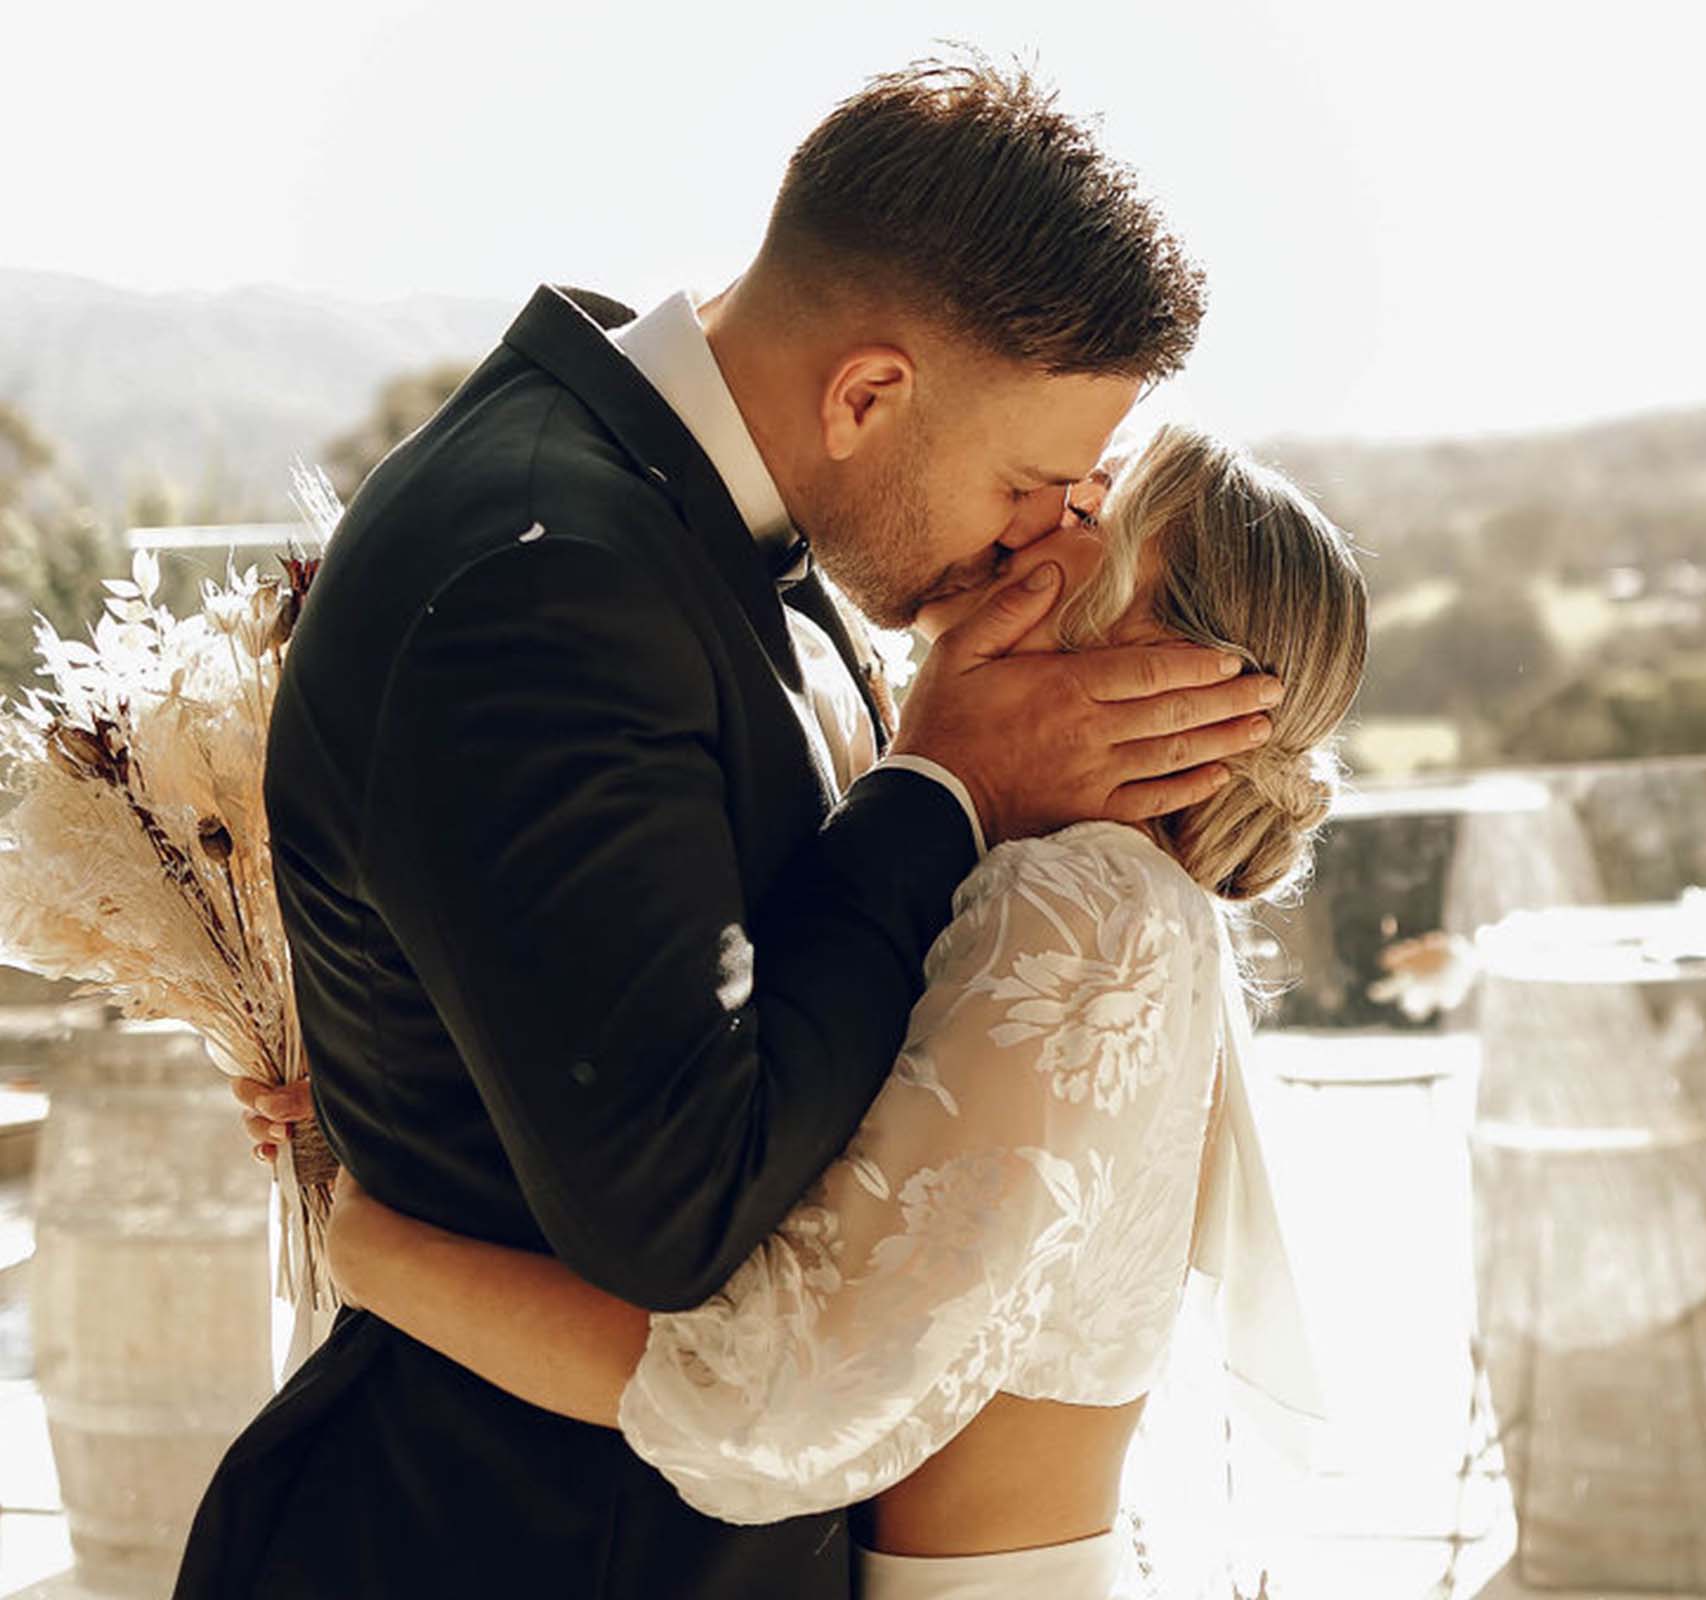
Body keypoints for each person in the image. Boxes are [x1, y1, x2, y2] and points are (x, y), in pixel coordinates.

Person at [180, 59, 1282, 1600]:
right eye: (1030, 482)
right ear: (868, 394)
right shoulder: (539, 572)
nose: (1043, 535)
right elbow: (675, 1206)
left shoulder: (729, 526)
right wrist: (940, 787)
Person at [260, 423, 1367, 1599]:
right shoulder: (1064, 883)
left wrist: (374, 1245)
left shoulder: (1087, 903)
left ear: (1172, 668)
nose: (1038, 514)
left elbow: (771, 1396)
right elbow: (785, 1131)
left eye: (1092, 514)